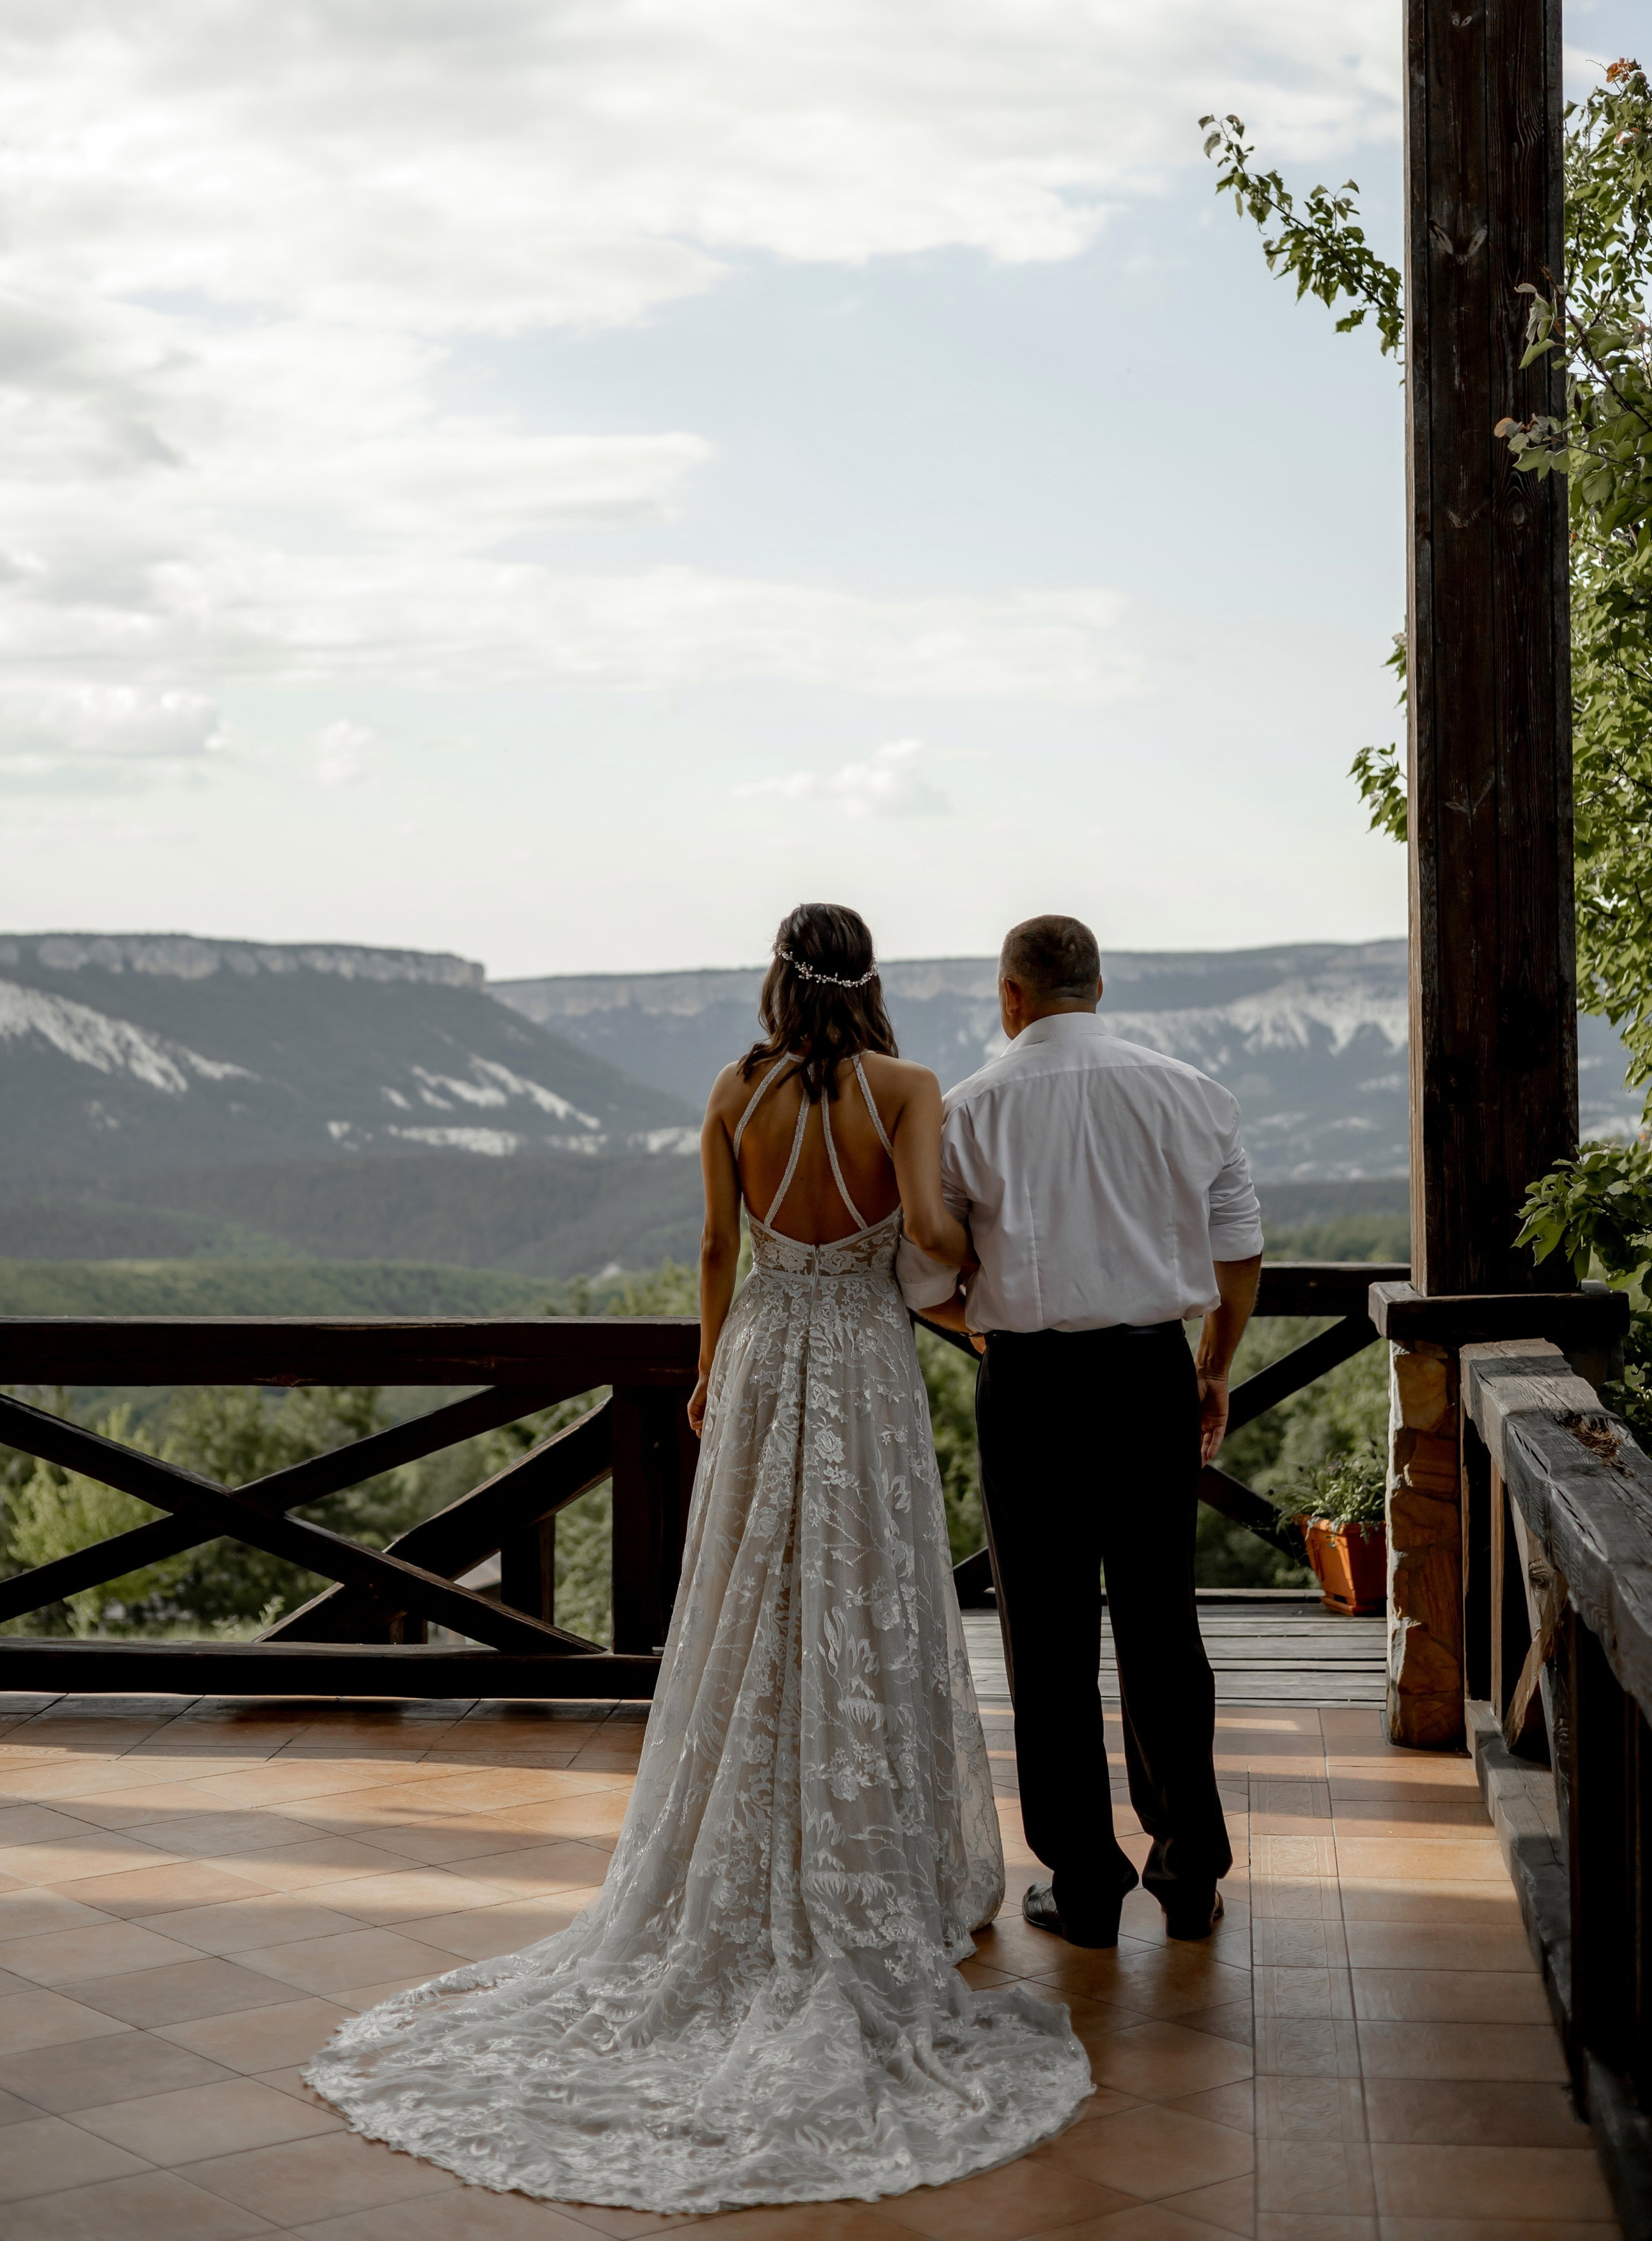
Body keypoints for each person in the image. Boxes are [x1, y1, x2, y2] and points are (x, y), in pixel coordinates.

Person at [307, 902, 1092, 2213]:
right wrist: (985, 1246)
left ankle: (742, 1847)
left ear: (778, 980)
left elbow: (718, 1248)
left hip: (764, 1360)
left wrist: (708, 1369)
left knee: (752, 1601)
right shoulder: (907, 1086)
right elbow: (931, 1242)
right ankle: (884, 1859)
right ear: (874, 979)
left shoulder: (733, 1090)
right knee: (866, 1595)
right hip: (861, 1368)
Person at [899, 913, 1262, 1950]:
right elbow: (1239, 1252)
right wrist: (1214, 1365)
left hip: (1027, 1387)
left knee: (1046, 1639)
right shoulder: (1191, 1094)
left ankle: (1085, 1884)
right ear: (1098, 990)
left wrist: (993, 1333)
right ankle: (1188, 1873)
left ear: (1010, 998)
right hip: (1152, 1373)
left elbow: (924, 1278)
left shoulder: (969, 1111)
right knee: (1160, 1625)